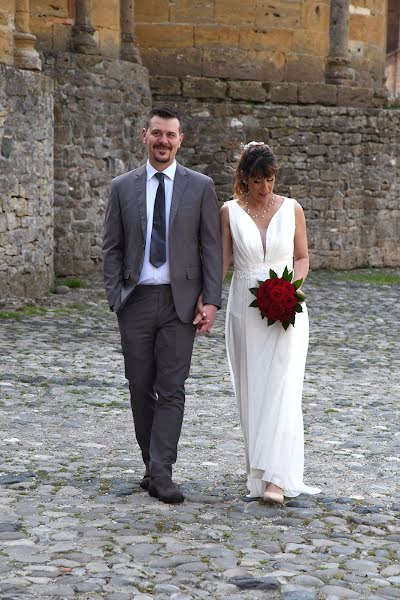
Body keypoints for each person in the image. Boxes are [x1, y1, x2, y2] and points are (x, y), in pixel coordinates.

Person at [103, 106, 222, 504]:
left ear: (180, 140)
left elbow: (211, 246)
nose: (163, 141)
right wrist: (116, 297)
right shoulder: (122, 187)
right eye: (157, 134)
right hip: (135, 301)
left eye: (170, 135)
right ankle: (150, 462)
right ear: (144, 136)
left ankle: (162, 471)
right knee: (140, 387)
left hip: (180, 304)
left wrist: (212, 300)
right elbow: (112, 248)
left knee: (171, 388)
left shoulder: (200, 186)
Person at [221, 142, 320, 504]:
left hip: (286, 309)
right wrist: (205, 302)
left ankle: (278, 478)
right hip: (243, 310)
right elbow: (222, 263)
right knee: (253, 388)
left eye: (271, 178)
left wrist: (291, 288)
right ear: (245, 178)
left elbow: (303, 257)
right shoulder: (229, 211)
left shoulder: (292, 209)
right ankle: (259, 473)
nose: (266, 187)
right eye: (259, 180)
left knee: (283, 386)